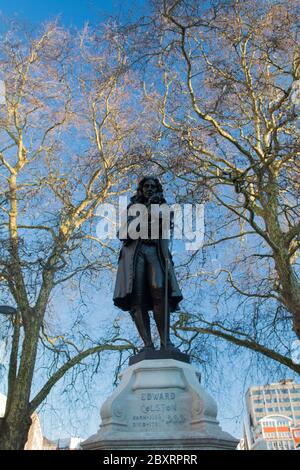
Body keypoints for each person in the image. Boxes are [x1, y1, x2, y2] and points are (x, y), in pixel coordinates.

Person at [113, 176, 183, 351]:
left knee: (159, 290)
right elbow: (123, 232)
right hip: (135, 255)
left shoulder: (163, 207)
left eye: (153, 186)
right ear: (141, 189)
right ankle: (147, 345)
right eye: (146, 186)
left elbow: (165, 223)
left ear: (157, 189)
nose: (150, 188)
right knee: (136, 297)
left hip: (154, 253)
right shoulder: (131, 209)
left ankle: (166, 343)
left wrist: (152, 208)